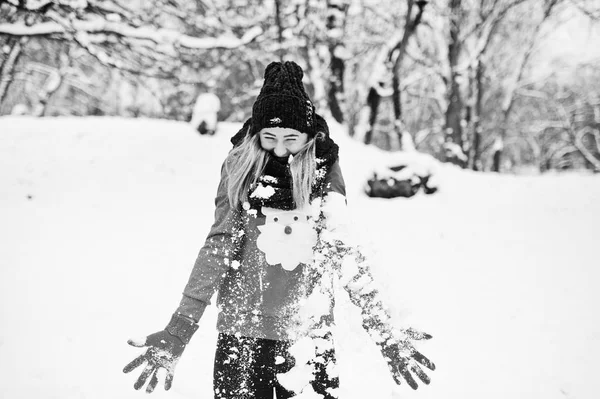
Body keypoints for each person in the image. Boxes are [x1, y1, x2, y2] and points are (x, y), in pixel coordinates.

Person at [123, 61, 435, 399]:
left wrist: (383, 327)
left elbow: (343, 249)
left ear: (308, 134)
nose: (281, 148)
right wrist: (180, 328)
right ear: (256, 133)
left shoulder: (323, 170)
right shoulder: (240, 166)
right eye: (269, 138)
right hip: (242, 334)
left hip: (307, 335)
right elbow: (218, 247)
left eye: (291, 138)